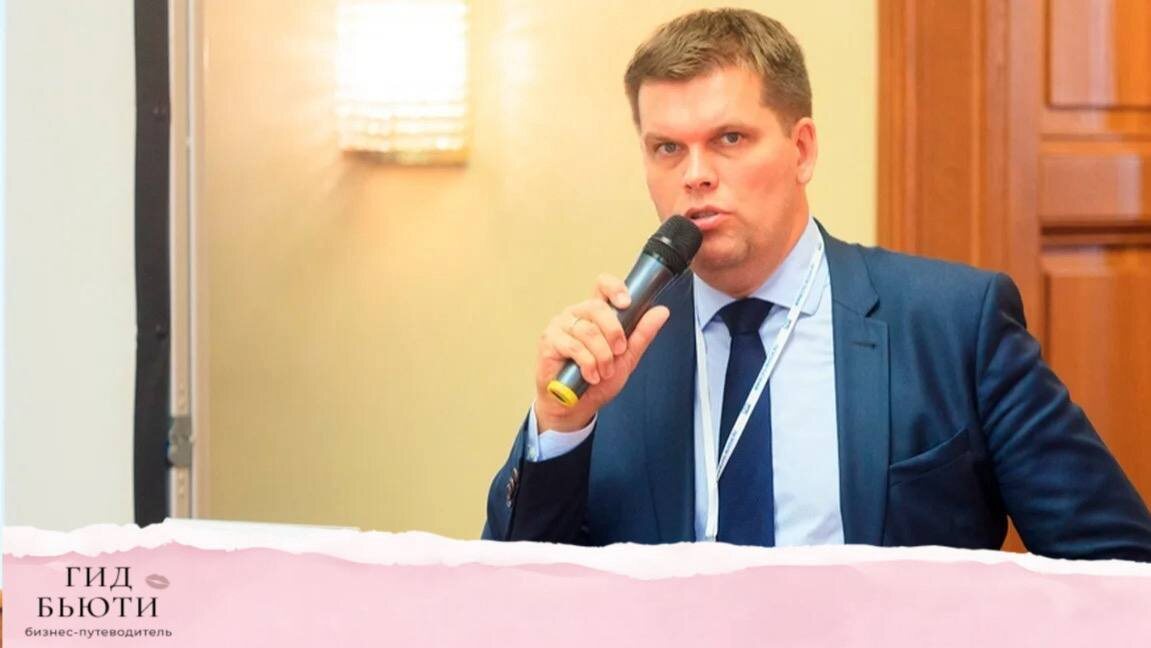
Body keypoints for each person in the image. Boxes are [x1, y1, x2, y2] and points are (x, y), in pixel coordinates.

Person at [482, 8, 1151, 560]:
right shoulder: (614, 354)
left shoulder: (953, 325)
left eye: (730, 138)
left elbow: (1118, 569)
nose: (695, 174)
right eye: (667, 148)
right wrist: (562, 426)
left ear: (801, 150)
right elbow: (517, 596)